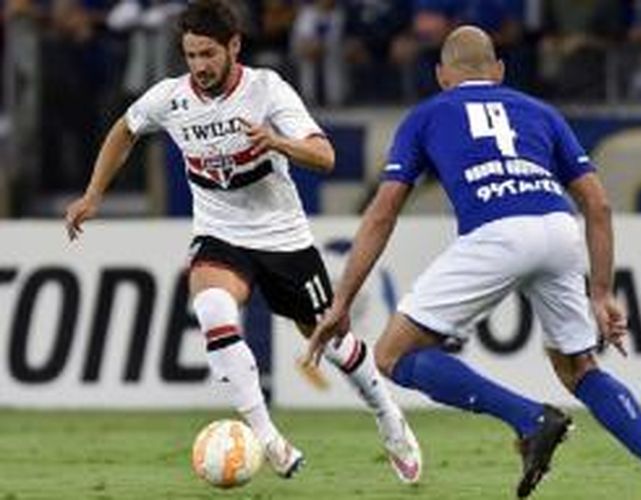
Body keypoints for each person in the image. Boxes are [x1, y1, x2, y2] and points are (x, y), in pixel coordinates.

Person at [306, 25, 641, 500]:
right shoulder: (541, 112)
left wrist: (342, 299)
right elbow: (598, 205)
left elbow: (383, 211)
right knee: (580, 369)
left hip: (497, 232)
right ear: (499, 71)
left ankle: (530, 419)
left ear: (442, 77)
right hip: (558, 227)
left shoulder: (426, 114)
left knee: (393, 354)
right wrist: (601, 292)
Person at [63, 0, 421, 483]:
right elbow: (125, 129)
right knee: (212, 309)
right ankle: (268, 437)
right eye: (190, 55)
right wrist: (92, 194)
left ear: (234, 46)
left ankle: (388, 416)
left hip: (283, 238)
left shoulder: (267, 90)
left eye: (208, 54)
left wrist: (278, 143)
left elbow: (325, 156)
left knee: (333, 344)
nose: (199, 66)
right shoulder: (171, 97)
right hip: (219, 233)